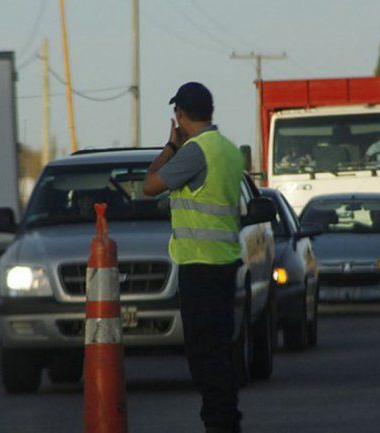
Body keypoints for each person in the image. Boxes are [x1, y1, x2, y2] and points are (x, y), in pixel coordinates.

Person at [143, 82, 244, 433]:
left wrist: (171, 144)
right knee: (220, 352)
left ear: (181, 115)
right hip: (224, 263)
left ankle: (219, 424)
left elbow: (149, 185)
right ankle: (226, 421)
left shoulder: (194, 152)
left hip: (200, 268)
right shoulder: (229, 150)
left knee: (204, 358)